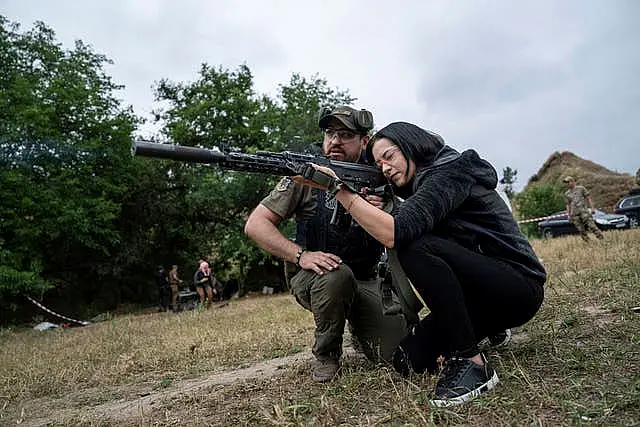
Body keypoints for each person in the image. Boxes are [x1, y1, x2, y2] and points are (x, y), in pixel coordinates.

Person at [294, 121, 546, 406]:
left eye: (389, 156)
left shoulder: (451, 171)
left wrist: (337, 189)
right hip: (480, 297)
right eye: (379, 163)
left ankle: (471, 363)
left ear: (411, 145)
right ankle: (484, 332)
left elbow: (395, 234)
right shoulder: (420, 188)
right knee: (407, 360)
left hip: (518, 287)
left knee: (411, 244)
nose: (385, 168)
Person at [244, 106, 408, 383]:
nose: (335, 141)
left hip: (367, 278)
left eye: (345, 135)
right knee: (336, 275)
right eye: (330, 133)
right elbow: (255, 225)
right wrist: (301, 256)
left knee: (400, 353)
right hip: (316, 277)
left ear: (364, 141)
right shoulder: (305, 175)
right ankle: (327, 352)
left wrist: (387, 208)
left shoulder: (381, 174)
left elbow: (407, 224)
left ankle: (361, 328)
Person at [563, 176, 603, 242]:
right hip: (575, 214)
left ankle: (601, 239)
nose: (567, 184)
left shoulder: (581, 188)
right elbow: (568, 205)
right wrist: (569, 215)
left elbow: (588, 198)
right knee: (581, 230)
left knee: (592, 226)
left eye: (568, 182)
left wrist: (592, 208)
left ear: (573, 182)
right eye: (566, 183)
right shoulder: (567, 193)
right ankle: (589, 243)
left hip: (584, 212)